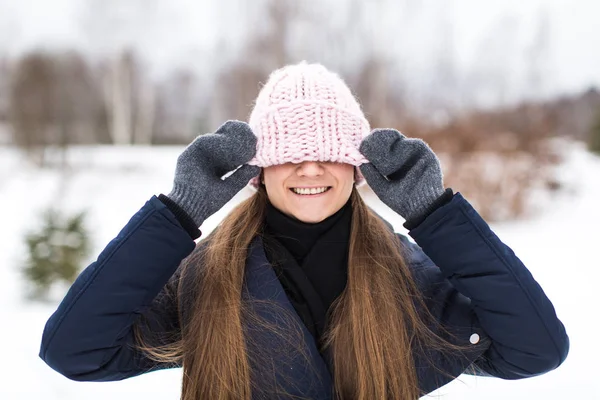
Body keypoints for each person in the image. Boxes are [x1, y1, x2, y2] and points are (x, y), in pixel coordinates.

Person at [39, 62, 569, 400]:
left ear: (357, 168)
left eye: (330, 155)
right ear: (259, 170)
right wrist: (177, 214)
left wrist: (436, 214)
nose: (310, 169)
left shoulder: (409, 275)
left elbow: (535, 349)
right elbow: (75, 351)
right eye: (289, 154)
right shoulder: (206, 277)